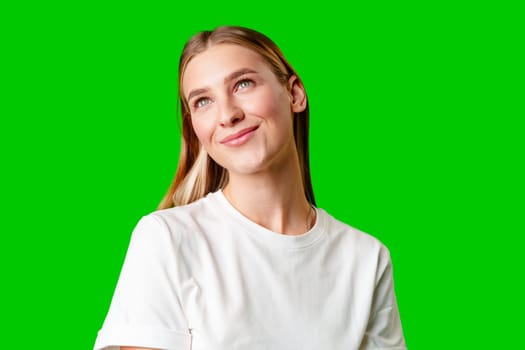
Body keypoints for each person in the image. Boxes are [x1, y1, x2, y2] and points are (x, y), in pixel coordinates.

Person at [94, 26, 406, 350]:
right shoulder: (167, 239)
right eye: (203, 101)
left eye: (243, 84)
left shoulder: (366, 259)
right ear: (194, 127)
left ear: (295, 93)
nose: (228, 114)